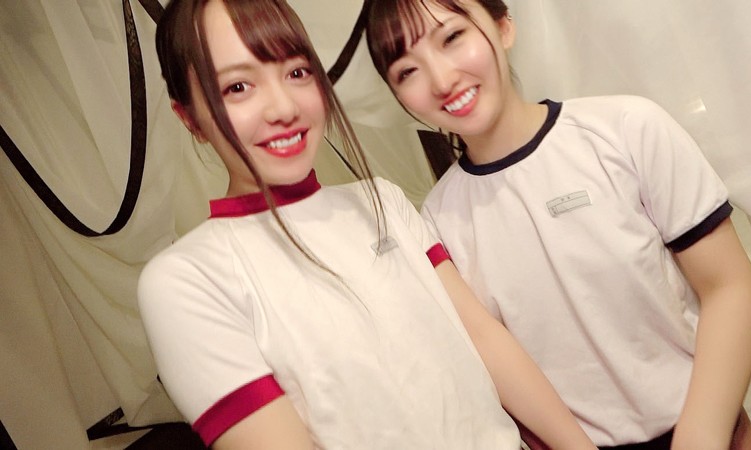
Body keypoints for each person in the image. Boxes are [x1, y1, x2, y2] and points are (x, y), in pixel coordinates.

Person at [138, 0, 597, 448]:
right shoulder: (186, 280)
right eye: (238, 87)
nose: (283, 108)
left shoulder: (383, 201)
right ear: (189, 117)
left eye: (297, 73)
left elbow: (484, 339)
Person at [365, 0, 751, 448]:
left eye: (452, 37)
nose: (441, 80)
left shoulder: (626, 129)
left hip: (712, 431)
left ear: (503, 26)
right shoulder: (438, 221)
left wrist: (702, 435)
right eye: (407, 71)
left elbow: (729, 287)